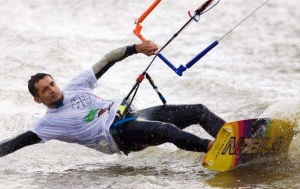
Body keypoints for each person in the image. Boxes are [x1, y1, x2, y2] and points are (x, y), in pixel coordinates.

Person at [0, 40, 225, 158]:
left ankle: (234, 136)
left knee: (198, 110)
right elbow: (13, 143)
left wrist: (136, 48)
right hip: (118, 135)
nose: (52, 90)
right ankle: (216, 148)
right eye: (44, 90)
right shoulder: (47, 124)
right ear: (37, 99)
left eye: (52, 84)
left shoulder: (77, 85)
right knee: (167, 130)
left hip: (132, 115)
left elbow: (108, 59)